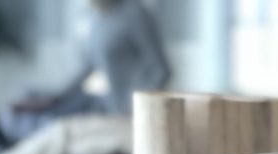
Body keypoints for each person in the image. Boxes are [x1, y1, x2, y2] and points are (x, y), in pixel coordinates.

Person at [19, 0, 170, 118]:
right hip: (107, 107)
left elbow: (161, 70)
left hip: (129, 114)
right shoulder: (96, 17)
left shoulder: (135, 13)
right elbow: (89, 65)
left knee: (62, 134)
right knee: (31, 98)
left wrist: (134, 107)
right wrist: (57, 97)